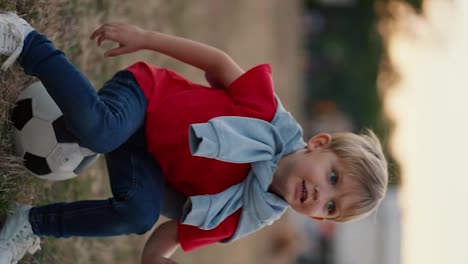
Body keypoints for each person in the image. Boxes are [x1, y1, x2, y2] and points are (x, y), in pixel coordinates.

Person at [0, 12, 388, 264]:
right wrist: (146, 37)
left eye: (332, 208)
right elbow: (218, 62)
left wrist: (158, 261)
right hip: (147, 96)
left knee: (139, 213)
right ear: (319, 144)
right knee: (102, 131)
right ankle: (27, 41)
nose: (323, 195)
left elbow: (164, 238)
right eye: (333, 178)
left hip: (144, 160)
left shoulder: (243, 215)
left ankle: (31, 224)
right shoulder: (267, 116)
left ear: (320, 219)